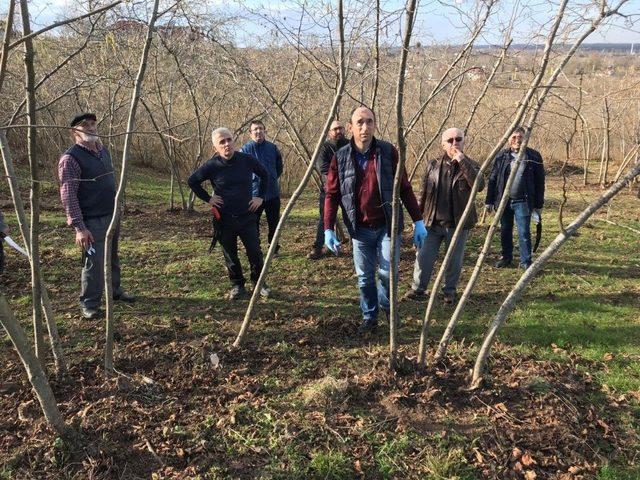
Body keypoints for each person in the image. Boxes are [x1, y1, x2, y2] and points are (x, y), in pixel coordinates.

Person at [324, 105, 427, 334]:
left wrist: (418, 220)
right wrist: (328, 228)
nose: (365, 127)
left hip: (387, 227)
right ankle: (369, 316)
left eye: (369, 121)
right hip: (359, 229)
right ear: (350, 127)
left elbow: (405, 188)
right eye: (359, 122)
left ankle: (388, 311)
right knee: (364, 278)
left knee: (387, 274)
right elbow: (331, 194)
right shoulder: (340, 158)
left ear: (375, 125)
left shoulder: (388, 151)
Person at [58, 113, 135, 319]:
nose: (91, 128)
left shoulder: (103, 151)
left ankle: (114, 290)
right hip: (91, 221)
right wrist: (79, 227)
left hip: (111, 216)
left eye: (93, 124)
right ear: (75, 132)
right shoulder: (70, 159)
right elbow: (68, 195)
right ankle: (89, 304)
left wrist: (119, 207)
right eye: (85, 126)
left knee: (112, 256)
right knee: (93, 262)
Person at [404, 128, 484, 305]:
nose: (454, 143)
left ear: (464, 141)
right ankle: (418, 289)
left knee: (453, 261)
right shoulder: (432, 165)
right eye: (450, 140)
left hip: (458, 224)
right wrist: (417, 220)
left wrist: (462, 161)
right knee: (423, 257)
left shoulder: (472, 165)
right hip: (431, 223)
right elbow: (423, 193)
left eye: (458, 139)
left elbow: (479, 185)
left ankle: (449, 291)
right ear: (442, 144)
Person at [189, 127, 270, 300]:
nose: (227, 144)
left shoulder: (246, 160)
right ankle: (238, 285)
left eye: (229, 139)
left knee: (255, 252)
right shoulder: (212, 166)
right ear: (215, 148)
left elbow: (265, 175)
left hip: (247, 216)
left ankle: (259, 283)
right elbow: (192, 181)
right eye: (222, 142)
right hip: (224, 219)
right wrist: (208, 199)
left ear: (233, 140)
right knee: (230, 255)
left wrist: (260, 197)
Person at [485, 127, 545, 269]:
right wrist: (489, 201)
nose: (517, 140)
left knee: (524, 232)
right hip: (503, 201)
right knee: (505, 230)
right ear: (508, 139)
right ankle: (506, 258)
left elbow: (540, 181)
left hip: (523, 201)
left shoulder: (533, 156)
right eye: (514, 137)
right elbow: (493, 179)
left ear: (526, 139)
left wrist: (539, 204)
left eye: (521, 137)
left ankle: (526, 262)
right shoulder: (501, 156)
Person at [308, 120, 349, 259]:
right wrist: (343, 175)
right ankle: (318, 248)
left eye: (340, 128)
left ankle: (358, 246)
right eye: (335, 129)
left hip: (349, 190)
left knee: (351, 216)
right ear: (329, 132)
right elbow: (324, 168)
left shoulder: (351, 145)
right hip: (329, 190)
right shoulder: (324, 148)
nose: (338, 131)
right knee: (324, 218)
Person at [241, 120, 283, 255]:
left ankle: (273, 248)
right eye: (255, 129)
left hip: (272, 193)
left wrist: (271, 178)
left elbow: (279, 168)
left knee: (274, 223)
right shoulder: (245, 150)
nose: (258, 131)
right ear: (250, 133)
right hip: (253, 195)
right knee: (253, 224)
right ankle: (256, 248)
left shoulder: (273, 148)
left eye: (261, 128)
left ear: (265, 131)